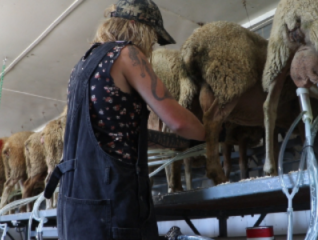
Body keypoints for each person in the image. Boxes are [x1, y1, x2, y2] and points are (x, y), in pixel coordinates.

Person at [43, 0, 205, 239]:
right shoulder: (127, 53)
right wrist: (211, 132)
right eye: (152, 36)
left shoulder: (82, 65)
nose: (151, 44)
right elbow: (177, 121)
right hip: (112, 202)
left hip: (75, 204)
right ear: (134, 25)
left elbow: (107, 132)